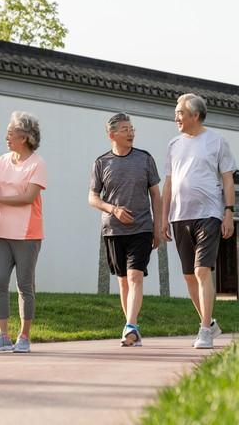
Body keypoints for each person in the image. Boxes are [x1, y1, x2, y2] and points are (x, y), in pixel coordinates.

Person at [161, 93, 236, 349]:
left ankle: (204, 329)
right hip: (180, 216)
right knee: (189, 276)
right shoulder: (173, 144)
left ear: (195, 114)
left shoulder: (217, 142)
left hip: (210, 213)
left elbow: (227, 179)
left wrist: (228, 211)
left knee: (202, 270)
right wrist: (163, 217)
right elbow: (168, 184)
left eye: (180, 112)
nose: (176, 117)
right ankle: (210, 323)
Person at [0, 111, 47, 353]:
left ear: (25, 137)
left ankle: (24, 336)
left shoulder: (37, 164)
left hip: (28, 234)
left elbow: (28, 197)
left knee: (25, 286)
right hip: (3, 232)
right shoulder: (3, 160)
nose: (7, 136)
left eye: (11, 132)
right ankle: (3, 336)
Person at [89, 113, 161, 347]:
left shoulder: (145, 159)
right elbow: (92, 197)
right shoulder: (102, 163)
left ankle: (130, 326)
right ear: (112, 135)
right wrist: (113, 209)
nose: (131, 132)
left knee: (135, 275)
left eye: (132, 128)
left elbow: (155, 195)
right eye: (124, 129)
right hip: (113, 230)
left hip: (141, 228)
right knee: (123, 281)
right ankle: (133, 326)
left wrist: (158, 226)